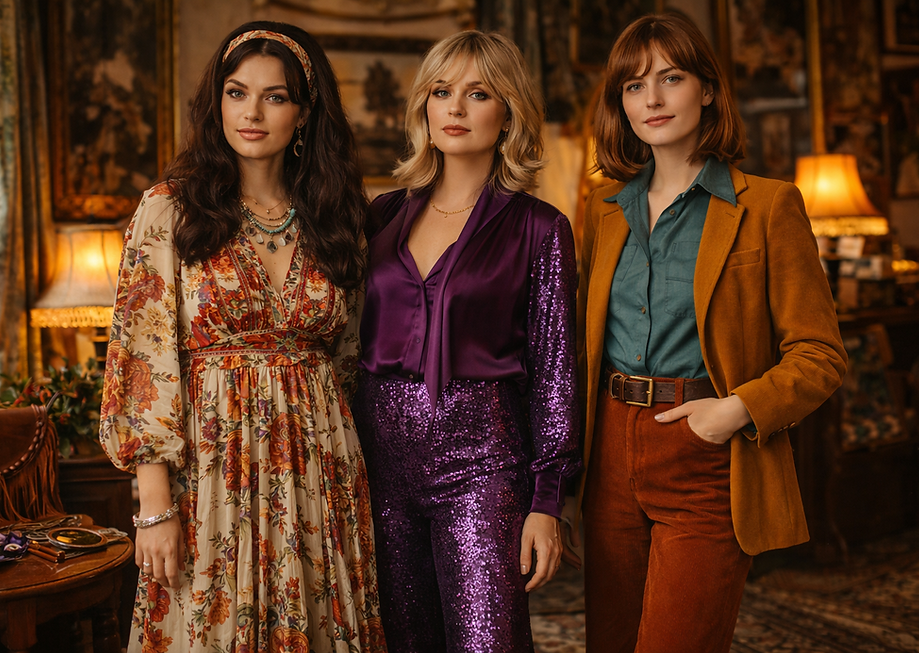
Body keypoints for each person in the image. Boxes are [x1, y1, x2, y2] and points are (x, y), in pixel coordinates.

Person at [98, 21, 386, 652]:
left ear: (304, 114)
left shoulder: (337, 219)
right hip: (209, 476)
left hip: (318, 470)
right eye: (236, 92)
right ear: (217, 102)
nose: (251, 112)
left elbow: (347, 361)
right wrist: (154, 506)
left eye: (274, 96)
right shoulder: (169, 210)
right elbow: (141, 360)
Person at [573, 12, 848, 653]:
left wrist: (735, 412)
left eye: (671, 78)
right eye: (634, 85)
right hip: (609, 450)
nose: (653, 99)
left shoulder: (768, 205)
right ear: (621, 103)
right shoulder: (603, 209)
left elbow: (821, 354)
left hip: (705, 451)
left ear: (708, 90)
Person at [351, 30, 581, 653]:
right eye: (441, 91)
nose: (454, 108)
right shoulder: (381, 215)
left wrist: (548, 500)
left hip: (481, 466)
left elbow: (557, 372)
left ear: (508, 112)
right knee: (401, 641)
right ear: (423, 107)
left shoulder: (539, 229)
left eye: (477, 94)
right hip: (380, 466)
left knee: (489, 644)